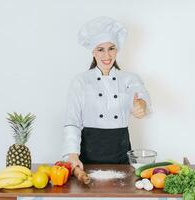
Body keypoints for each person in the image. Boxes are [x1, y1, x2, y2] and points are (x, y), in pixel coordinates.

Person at [62, 16, 152, 170]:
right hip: (88, 153)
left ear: (117, 50)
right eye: (100, 49)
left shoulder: (129, 79)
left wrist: (141, 105)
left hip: (120, 151)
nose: (107, 55)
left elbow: (141, 96)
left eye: (111, 48)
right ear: (93, 52)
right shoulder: (81, 81)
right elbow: (72, 122)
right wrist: (72, 155)